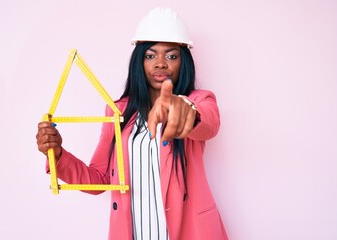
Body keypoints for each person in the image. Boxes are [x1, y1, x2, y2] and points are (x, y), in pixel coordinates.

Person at [36, 7, 228, 240]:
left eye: (171, 55)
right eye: (150, 55)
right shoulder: (117, 111)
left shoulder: (199, 101)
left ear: (183, 62)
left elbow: (209, 123)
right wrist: (57, 154)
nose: (160, 63)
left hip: (190, 233)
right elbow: (100, 178)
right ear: (139, 61)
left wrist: (186, 110)